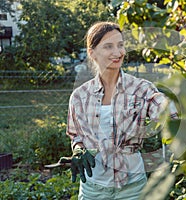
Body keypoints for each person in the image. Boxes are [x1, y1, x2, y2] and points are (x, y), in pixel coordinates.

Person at [64, 21, 178, 200]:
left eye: (121, 45)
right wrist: (78, 150)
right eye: (108, 47)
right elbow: (76, 135)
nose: (118, 53)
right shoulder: (79, 97)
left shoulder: (141, 89)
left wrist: (185, 87)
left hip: (133, 188)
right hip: (93, 189)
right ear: (92, 53)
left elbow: (167, 112)